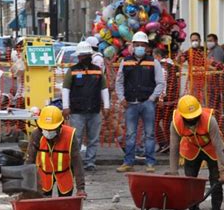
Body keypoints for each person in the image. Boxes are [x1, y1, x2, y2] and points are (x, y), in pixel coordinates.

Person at [166, 95, 224, 210]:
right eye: (188, 119)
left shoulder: (209, 121)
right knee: (190, 183)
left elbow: (218, 146)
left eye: (194, 118)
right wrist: (173, 172)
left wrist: (222, 171)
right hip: (191, 149)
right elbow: (174, 147)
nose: (192, 121)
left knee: (216, 183)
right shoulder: (175, 123)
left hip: (211, 149)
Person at [115, 31, 166, 173]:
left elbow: (160, 82)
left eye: (142, 45)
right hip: (130, 103)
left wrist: (152, 98)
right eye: (136, 45)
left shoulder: (153, 62)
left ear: (146, 47)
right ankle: (128, 162)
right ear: (132, 46)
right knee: (130, 134)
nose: (139, 47)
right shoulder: (125, 62)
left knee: (149, 134)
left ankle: (150, 163)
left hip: (147, 103)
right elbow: (119, 82)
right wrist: (121, 98)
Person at [62, 41, 110, 171]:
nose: (83, 58)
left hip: (94, 110)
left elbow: (103, 88)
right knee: (76, 139)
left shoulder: (98, 71)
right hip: (77, 111)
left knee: (93, 139)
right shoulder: (72, 71)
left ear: (90, 55)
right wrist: (65, 107)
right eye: (81, 56)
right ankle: (76, 163)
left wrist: (106, 106)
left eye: (85, 55)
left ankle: (90, 163)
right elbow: (65, 89)